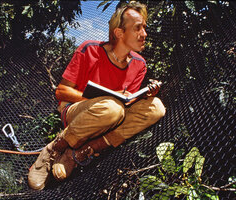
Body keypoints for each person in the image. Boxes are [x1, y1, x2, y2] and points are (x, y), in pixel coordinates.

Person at [28, 1, 166, 190]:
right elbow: (61, 91)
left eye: (144, 28)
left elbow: (128, 104)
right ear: (119, 33)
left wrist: (144, 95)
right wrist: (100, 100)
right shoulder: (90, 50)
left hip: (112, 117)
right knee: (111, 108)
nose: (144, 34)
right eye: (137, 28)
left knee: (156, 107)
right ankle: (54, 149)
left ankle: (78, 154)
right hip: (76, 112)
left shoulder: (139, 64)